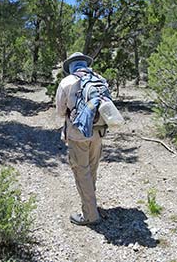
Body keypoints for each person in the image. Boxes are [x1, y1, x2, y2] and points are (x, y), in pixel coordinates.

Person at [55, 52, 107, 225]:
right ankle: (91, 205)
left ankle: (90, 215)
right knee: (92, 169)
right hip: (98, 132)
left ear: (70, 66)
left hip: (78, 134)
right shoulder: (99, 78)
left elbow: (61, 111)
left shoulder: (66, 82)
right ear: (85, 63)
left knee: (81, 171)